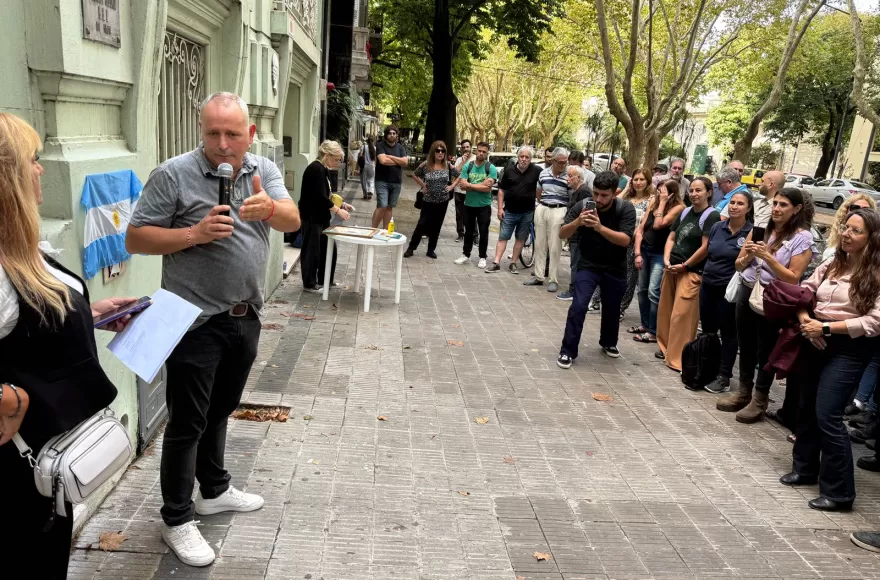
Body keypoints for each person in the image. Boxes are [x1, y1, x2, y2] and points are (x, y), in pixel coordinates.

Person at [127, 92, 301, 567]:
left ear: (249, 133)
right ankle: (177, 519)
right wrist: (193, 234)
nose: (223, 145)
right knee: (187, 423)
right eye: (213, 133)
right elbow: (136, 238)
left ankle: (214, 490)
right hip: (192, 322)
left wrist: (269, 209)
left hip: (246, 316)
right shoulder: (173, 175)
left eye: (233, 134)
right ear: (201, 132)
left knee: (221, 408)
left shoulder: (261, 171)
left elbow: (294, 219)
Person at [0, 113, 139, 578]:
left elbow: (32, 320)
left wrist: (92, 314)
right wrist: (7, 395)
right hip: (17, 476)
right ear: (8, 177)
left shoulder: (19, 245)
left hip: (49, 464)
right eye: (33, 161)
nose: (41, 170)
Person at [781, 209, 880, 513]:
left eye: (856, 231)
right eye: (846, 228)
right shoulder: (830, 264)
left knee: (828, 414)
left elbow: (874, 322)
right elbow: (803, 295)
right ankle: (805, 468)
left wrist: (824, 327)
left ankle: (839, 493)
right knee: (806, 405)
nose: (847, 234)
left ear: (871, 238)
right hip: (814, 337)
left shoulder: (875, 273)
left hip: (849, 347)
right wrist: (806, 323)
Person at [716, 187, 814, 424]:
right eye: (776, 203)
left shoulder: (802, 238)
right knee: (746, 344)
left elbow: (793, 277)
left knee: (766, 350)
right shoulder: (762, 228)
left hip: (774, 299)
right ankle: (743, 392)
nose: (777, 209)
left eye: (783, 205)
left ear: (797, 209)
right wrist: (749, 255)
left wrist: (767, 256)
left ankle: (760, 399)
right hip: (747, 291)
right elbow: (739, 266)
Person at [557, 171, 637, 367]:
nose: (598, 199)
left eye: (604, 195)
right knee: (578, 306)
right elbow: (561, 233)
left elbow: (626, 240)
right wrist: (577, 222)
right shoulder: (583, 206)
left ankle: (609, 342)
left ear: (614, 193)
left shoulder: (625, 209)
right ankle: (567, 351)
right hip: (588, 265)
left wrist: (599, 227)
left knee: (611, 308)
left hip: (615, 267)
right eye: (596, 194)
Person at [656, 177, 721, 372]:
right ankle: (665, 349)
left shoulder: (712, 216)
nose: (694, 194)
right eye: (691, 190)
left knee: (682, 316)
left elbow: (705, 247)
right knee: (666, 312)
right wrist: (667, 259)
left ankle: (678, 359)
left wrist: (685, 265)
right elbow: (672, 237)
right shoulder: (685, 212)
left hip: (691, 272)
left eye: (699, 190)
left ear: (709, 192)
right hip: (671, 267)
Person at [700, 191, 754, 393]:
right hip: (708, 285)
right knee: (708, 330)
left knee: (729, 333)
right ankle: (707, 368)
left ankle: (724, 376)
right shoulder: (717, 227)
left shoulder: (750, 233)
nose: (734, 206)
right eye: (732, 202)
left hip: (730, 291)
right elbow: (708, 253)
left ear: (748, 209)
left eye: (740, 204)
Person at [630, 180, 685, 343]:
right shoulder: (654, 203)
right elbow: (641, 228)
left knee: (654, 291)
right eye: (658, 191)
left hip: (660, 255)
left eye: (663, 191)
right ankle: (645, 325)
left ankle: (654, 331)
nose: (659, 194)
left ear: (672, 193)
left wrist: (662, 203)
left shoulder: (679, 208)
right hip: (645, 251)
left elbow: (658, 224)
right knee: (642, 290)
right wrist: (637, 252)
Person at [298, 140, 353, 292]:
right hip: (312, 216)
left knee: (328, 247)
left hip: (321, 216)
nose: (338, 162)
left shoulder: (324, 169)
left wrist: (341, 204)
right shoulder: (315, 169)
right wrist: (337, 211)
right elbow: (319, 196)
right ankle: (309, 283)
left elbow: (328, 194)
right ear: (327, 155)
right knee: (312, 250)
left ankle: (326, 279)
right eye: (336, 159)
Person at [486, 145, 541, 273]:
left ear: (530, 159)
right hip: (509, 211)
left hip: (527, 212)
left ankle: (513, 263)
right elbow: (501, 190)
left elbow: (542, 185)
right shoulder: (509, 171)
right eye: (521, 156)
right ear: (518, 157)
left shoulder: (536, 170)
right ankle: (496, 262)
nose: (524, 159)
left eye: (527, 157)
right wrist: (500, 208)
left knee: (520, 238)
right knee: (503, 237)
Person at [524, 147, 570, 293]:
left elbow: (571, 196)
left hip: (559, 209)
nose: (563, 165)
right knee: (539, 244)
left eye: (565, 162)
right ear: (554, 160)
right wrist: (542, 205)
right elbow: (539, 191)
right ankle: (538, 276)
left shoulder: (569, 175)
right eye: (560, 162)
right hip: (543, 207)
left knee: (555, 246)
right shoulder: (543, 173)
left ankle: (553, 279)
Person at [406, 140, 459, 259]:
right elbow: (415, 174)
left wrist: (451, 186)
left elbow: (460, 175)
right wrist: (423, 185)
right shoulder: (426, 164)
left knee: (437, 225)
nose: (440, 153)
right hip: (428, 200)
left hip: (442, 201)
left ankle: (431, 250)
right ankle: (411, 248)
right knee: (422, 224)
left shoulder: (448, 165)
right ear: (433, 152)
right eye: (438, 150)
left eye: (443, 151)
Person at [453, 141, 497, 268]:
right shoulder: (468, 166)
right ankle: (465, 254)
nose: (481, 153)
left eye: (484, 151)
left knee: (483, 232)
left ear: (487, 153)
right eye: (479, 151)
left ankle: (482, 257)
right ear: (476, 150)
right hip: (469, 204)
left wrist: (470, 185)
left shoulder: (491, 168)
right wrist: (480, 185)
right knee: (468, 231)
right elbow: (462, 186)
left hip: (484, 205)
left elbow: (487, 188)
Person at [618, 168, 653, 320]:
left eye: (642, 179)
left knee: (630, 276)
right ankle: (599, 301)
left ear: (648, 181)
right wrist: (626, 187)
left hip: (635, 242)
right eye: (636, 179)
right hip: (619, 239)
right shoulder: (627, 198)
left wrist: (632, 236)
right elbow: (614, 202)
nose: (638, 183)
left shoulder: (651, 199)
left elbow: (644, 223)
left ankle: (621, 307)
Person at [557, 165, 594, 300]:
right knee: (575, 262)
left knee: (576, 264)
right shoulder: (576, 191)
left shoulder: (584, 192)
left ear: (578, 177)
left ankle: (574, 291)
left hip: (579, 235)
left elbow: (584, 214)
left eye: (570, 176)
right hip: (574, 233)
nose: (568, 179)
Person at [372, 125, 408, 229]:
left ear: (397, 135)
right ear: (386, 135)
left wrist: (391, 157)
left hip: (396, 182)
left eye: (394, 133)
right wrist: (398, 161)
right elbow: (383, 161)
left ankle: (385, 231)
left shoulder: (400, 147)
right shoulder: (380, 145)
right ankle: (373, 229)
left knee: (389, 207)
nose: (392, 135)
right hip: (382, 181)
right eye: (390, 133)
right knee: (382, 205)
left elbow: (405, 162)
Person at [823, 194, 875, 260]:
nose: (860, 212)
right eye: (855, 208)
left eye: (866, 210)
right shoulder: (835, 235)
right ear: (846, 210)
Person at [453, 140, 473, 242]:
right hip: (458, 191)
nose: (465, 149)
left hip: (471, 191)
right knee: (459, 214)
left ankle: (474, 236)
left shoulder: (475, 159)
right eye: (463, 147)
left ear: (471, 147)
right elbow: (455, 172)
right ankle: (460, 234)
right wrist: (463, 162)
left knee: (471, 214)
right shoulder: (459, 160)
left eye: (467, 147)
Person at [359, 135, 376, 200]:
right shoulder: (374, 148)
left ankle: (365, 194)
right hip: (372, 166)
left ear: (367, 141)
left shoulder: (364, 147)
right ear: (373, 141)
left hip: (364, 166)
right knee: (371, 179)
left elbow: (360, 156)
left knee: (364, 180)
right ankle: (370, 191)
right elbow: (375, 159)